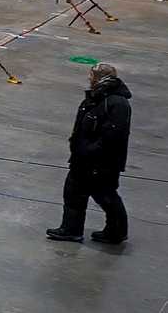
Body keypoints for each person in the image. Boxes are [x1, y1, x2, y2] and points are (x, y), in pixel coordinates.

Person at [48, 62, 131, 245]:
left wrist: (90, 151)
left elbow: (113, 136)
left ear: (100, 78)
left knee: (105, 195)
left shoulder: (116, 103)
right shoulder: (96, 97)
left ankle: (115, 231)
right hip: (84, 159)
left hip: (100, 162)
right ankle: (72, 229)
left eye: (92, 76)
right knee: (74, 193)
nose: (89, 79)